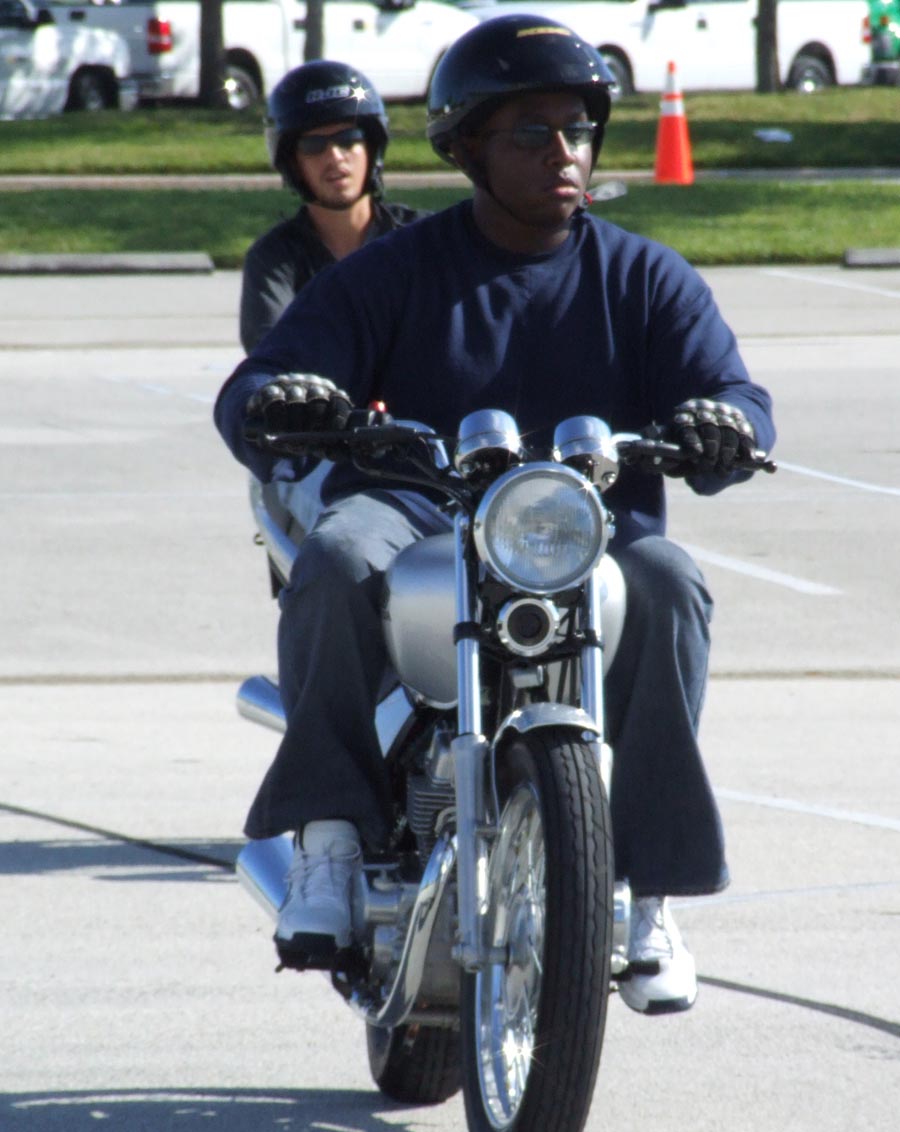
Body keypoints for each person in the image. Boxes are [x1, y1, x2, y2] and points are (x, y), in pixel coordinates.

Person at [215, 15, 776, 1016]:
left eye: (578, 129)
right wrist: (280, 397)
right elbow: (264, 376)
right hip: (415, 509)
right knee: (337, 557)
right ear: (467, 147)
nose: (565, 152)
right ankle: (330, 846)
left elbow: (734, 392)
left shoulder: (643, 276)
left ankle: (647, 895)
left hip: (579, 525)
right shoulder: (394, 271)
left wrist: (724, 423)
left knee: (671, 580)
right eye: (532, 132)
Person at [239, 60, 425, 354]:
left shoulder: (423, 240)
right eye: (313, 146)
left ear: (372, 148)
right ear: (293, 163)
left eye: (348, 139)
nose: (335, 157)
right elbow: (272, 353)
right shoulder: (274, 260)